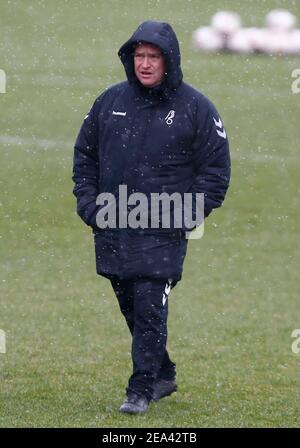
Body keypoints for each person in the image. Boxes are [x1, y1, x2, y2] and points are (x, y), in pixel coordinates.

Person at [72, 20, 231, 414]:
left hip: (164, 229)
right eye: (139, 56)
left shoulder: (196, 107)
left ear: (169, 60)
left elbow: (215, 173)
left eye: (153, 56)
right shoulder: (109, 102)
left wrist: (185, 218)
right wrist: (90, 206)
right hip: (113, 225)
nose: (145, 64)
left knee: (149, 304)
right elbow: (84, 157)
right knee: (131, 303)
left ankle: (139, 389)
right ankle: (162, 371)